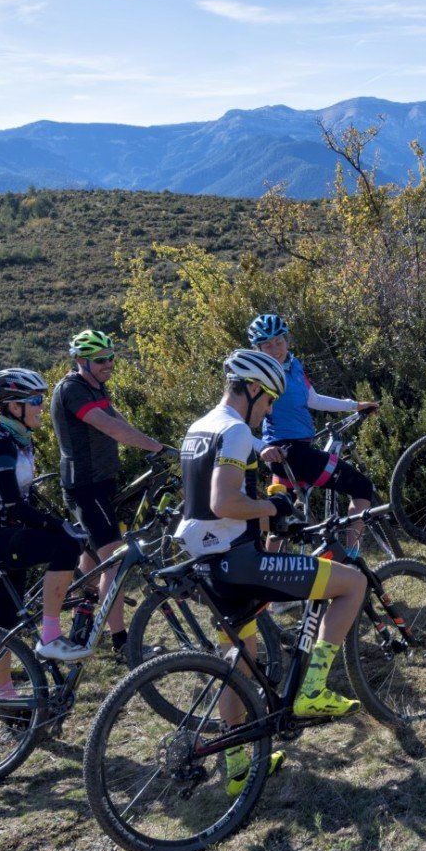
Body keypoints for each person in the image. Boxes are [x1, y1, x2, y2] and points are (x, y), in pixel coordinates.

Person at [174, 348, 369, 794]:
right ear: (251, 389)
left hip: (208, 566)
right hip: (241, 563)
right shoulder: (235, 431)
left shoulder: (199, 427)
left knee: (239, 663)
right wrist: (273, 506)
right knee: (352, 583)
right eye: (266, 401)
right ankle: (313, 689)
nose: (267, 412)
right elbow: (224, 501)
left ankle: (237, 769)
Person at [0, 368, 90, 694]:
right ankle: (51, 636)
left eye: (41, 400)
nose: (41, 407)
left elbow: (25, 499)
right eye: (35, 401)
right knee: (65, 547)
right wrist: (59, 527)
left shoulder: (19, 441)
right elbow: (13, 505)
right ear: (14, 407)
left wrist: (58, 521)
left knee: (3, 623)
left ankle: (7, 700)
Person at [49, 329, 175, 654]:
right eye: (101, 360)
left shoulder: (95, 386)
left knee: (95, 558)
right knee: (115, 562)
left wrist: (148, 442)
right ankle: (122, 643)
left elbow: (117, 419)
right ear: (81, 361)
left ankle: (85, 612)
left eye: (111, 358)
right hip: (85, 486)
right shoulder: (72, 390)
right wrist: (158, 447)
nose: (108, 364)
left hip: (102, 482)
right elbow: (108, 427)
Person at [247, 314, 379, 558]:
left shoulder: (294, 365)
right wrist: (261, 447)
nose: (276, 349)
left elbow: (314, 399)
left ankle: (265, 572)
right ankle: (350, 557)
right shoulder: (258, 377)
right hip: (290, 454)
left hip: (290, 454)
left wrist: (354, 405)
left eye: (279, 342)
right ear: (258, 349)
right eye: (267, 345)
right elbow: (236, 423)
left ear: (287, 340)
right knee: (362, 486)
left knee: (280, 518)